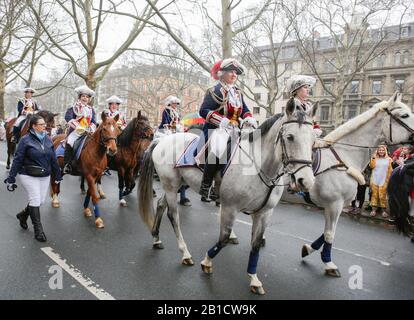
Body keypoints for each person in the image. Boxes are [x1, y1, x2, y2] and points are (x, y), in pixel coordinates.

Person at [198, 58, 257, 202]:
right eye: (230, 71)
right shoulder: (214, 91)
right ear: (221, 73)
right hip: (217, 129)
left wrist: (248, 117)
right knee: (219, 148)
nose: (234, 74)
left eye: (235, 72)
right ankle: (206, 185)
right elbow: (203, 110)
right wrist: (222, 121)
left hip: (235, 129)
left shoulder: (237, 92)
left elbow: (245, 109)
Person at [4, 114, 62, 242]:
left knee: (40, 201)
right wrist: (11, 178)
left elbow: (53, 158)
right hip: (27, 174)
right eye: (41, 124)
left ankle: (23, 215)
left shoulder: (47, 139)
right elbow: (18, 160)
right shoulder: (25, 140)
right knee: (35, 200)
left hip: (44, 175)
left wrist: (58, 174)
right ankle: (38, 230)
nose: (45, 126)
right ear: (34, 126)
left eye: (44, 124)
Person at [158, 95, 191, 206]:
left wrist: (182, 127)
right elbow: (165, 123)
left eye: (177, 103)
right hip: (167, 131)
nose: (176, 105)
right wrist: (174, 127)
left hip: (176, 131)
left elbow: (179, 123)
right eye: (174, 103)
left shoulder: (177, 113)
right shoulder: (166, 111)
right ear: (170, 103)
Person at [63, 85, 97, 174]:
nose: (85, 98)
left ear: (89, 99)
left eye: (87, 97)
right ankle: (67, 164)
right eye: (83, 96)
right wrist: (79, 128)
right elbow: (68, 118)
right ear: (80, 97)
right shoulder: (73, 107)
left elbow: (94, 121)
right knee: (70, 141)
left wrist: (91, 128)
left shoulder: (91, 110)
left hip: (88, 132)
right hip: (75, 131)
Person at [369, 145, 393, 218]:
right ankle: (373, 210)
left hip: (384, 180)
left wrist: (389, 180)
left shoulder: (389, 159)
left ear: (385, 151)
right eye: (380, 150)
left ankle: (384, 211)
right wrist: (373, 157)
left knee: (382, 196)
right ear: (377, 151)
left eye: (383, 150)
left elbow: (391, 170)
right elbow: (371, 166)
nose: (381, 151)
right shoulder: (374, 158)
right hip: (375, 179)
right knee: (374, 195)